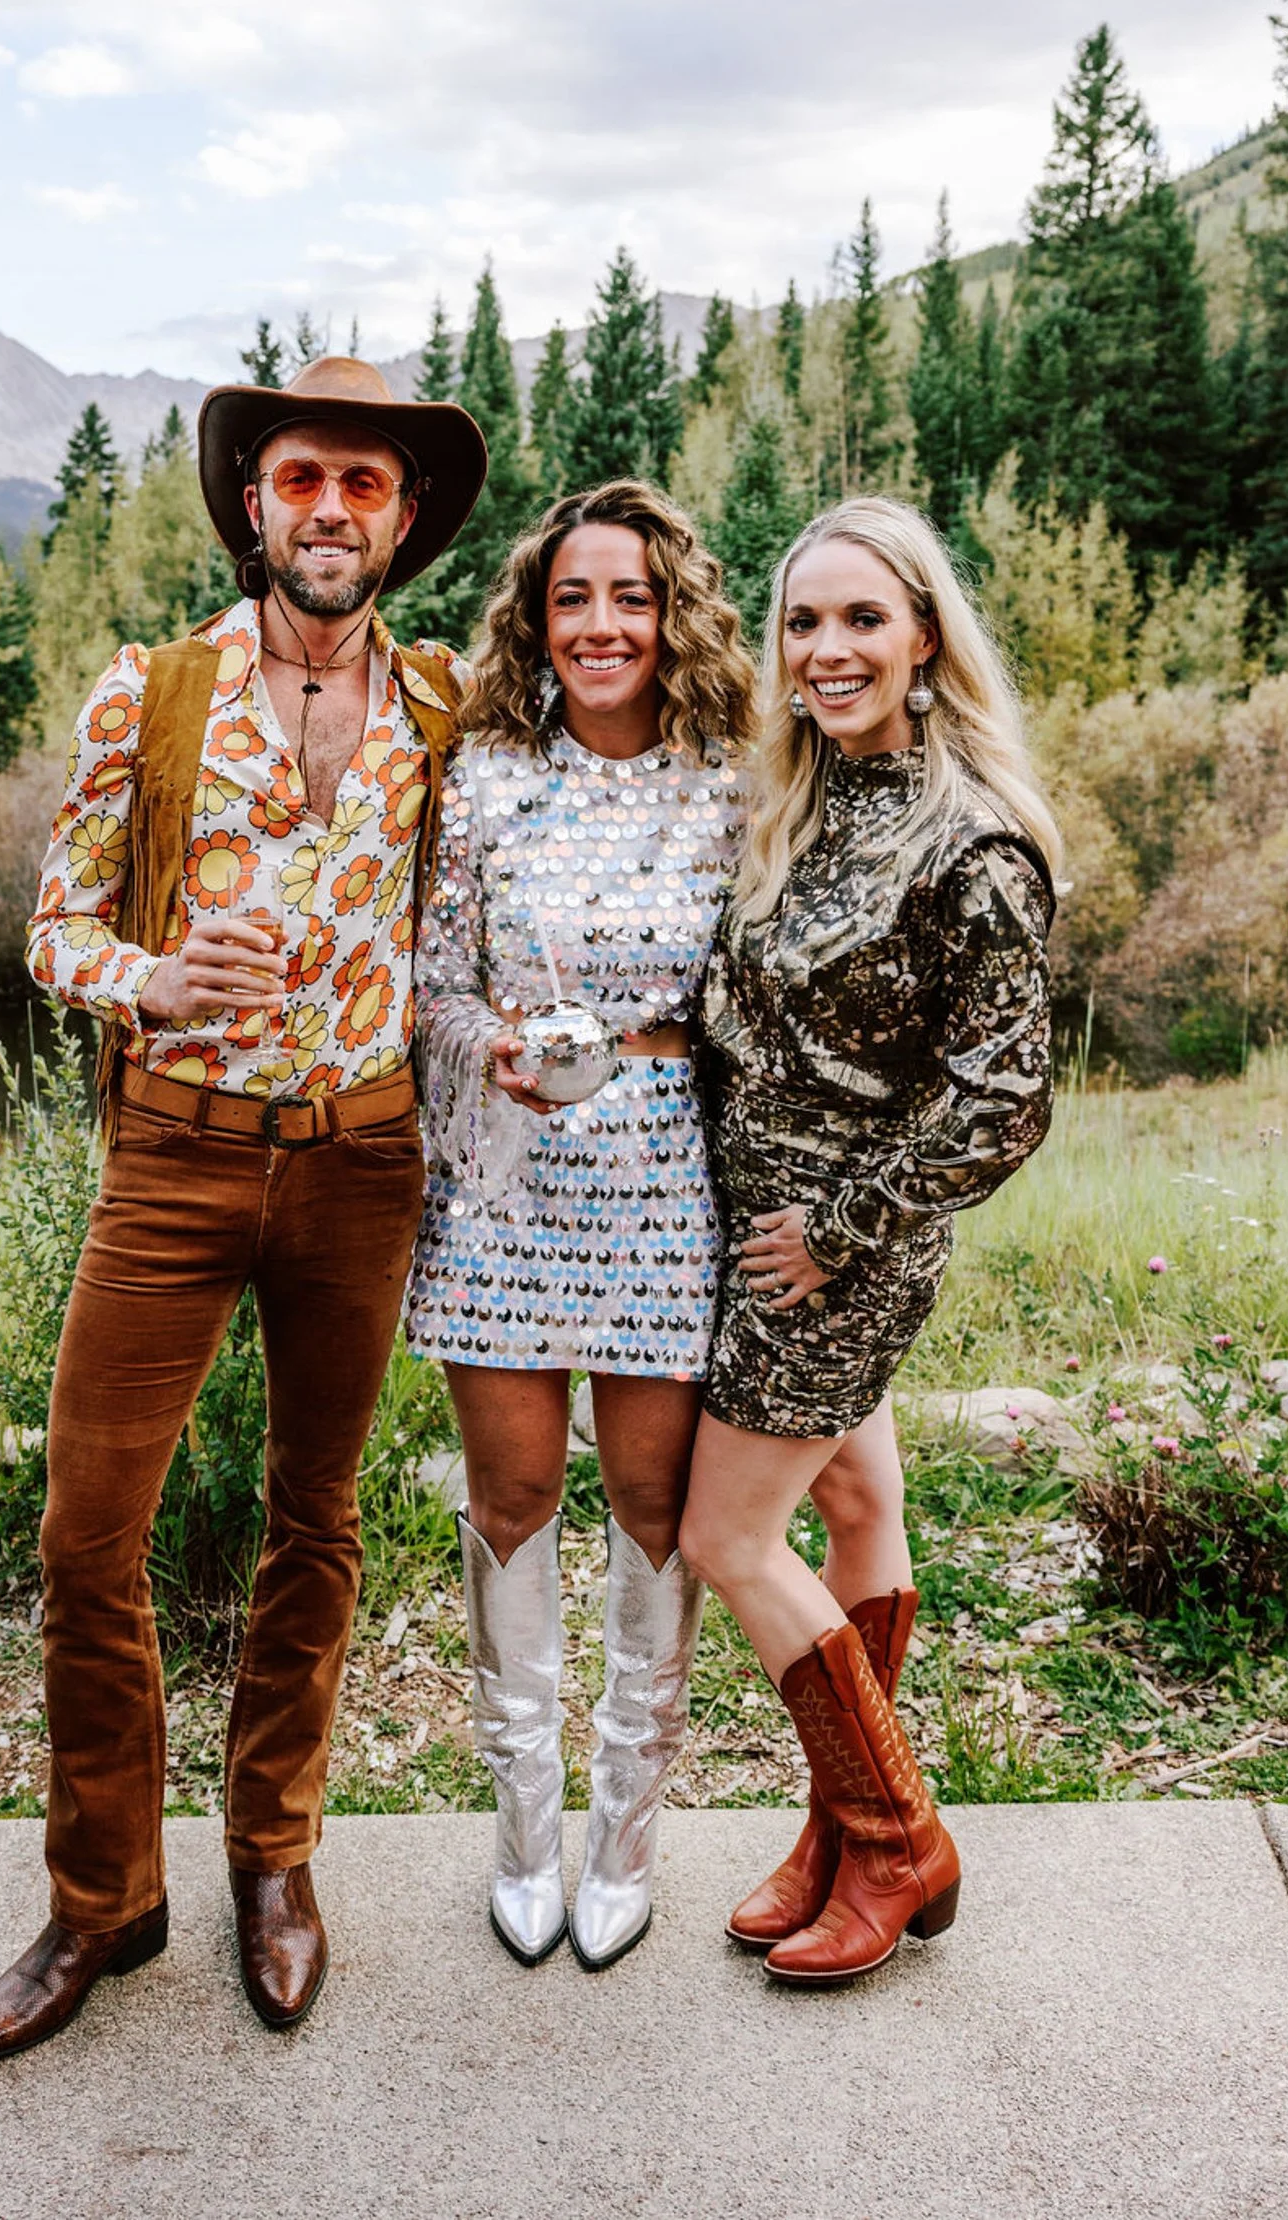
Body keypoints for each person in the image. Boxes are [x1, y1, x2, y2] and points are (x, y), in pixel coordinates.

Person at [0, 357, 487, 2063]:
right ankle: (103, 1896)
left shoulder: (447, 704)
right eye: (303, 477)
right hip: (173, 1158)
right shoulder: (154, 689)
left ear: (402, 519)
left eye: (363, 484)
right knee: (85, 1536)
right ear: (255, 502)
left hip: (363, 1159)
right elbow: (53, 932)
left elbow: (485, 911)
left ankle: (275, 1858)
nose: (331, 508)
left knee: (314, 1520)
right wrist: (156, 975)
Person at [679, 495, 1060, 1988]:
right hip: (760, 1227)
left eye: (861, 619)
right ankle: (841, 1830)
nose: (825, 649)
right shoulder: (807, 798)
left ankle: (898, 1839)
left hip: (834, 1252)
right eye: (803, 621)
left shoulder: (974, 843)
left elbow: (1003, 1101)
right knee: (854, 1502)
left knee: (726, 1538)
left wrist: (837, 1235)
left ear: (924, 641)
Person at [406, 479, 756, 1969]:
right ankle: (524, 1835)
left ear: (672, 616)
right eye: (573, 599)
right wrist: (482, 1041)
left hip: (669, 1177)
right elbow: (432, 981)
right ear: (535, 623)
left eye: (631, 597)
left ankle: (626, 1833)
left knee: (652, 1512)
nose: (602, 624)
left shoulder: (735, 781)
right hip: (505, 1182)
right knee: (512, 1502)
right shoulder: (484, 776)